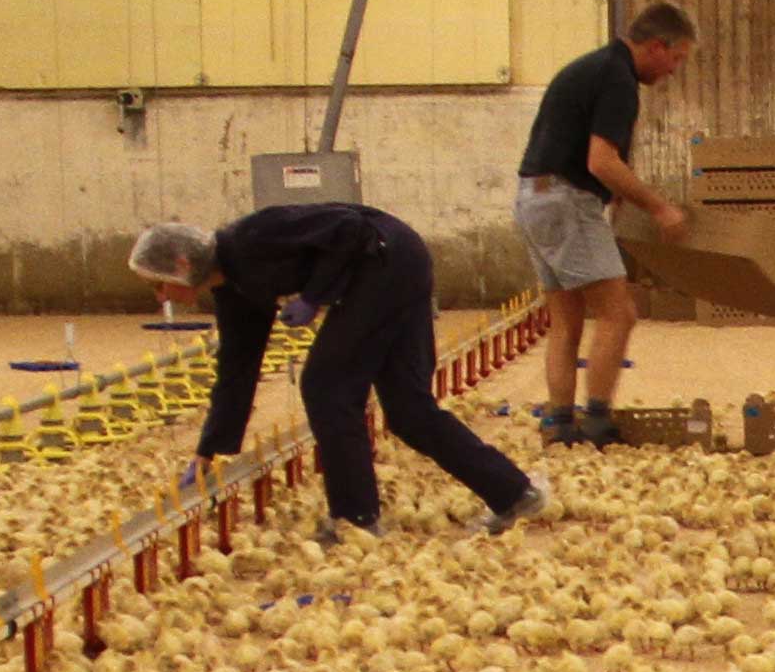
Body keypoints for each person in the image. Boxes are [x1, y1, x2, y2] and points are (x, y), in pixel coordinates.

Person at [130, 201, 537, 539]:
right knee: (408, 410)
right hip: (396, 264)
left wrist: (314, 295)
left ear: (182, 264)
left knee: (325, 386)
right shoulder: (234, 293)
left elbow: (350, 228)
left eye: (158, 284)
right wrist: (208, 451)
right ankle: (515, 494)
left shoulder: (252, 237)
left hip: (387, 259)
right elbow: (237, 369)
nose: (161, 297)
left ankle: (354, 518)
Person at [520, 2, 696, 446]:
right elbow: (601, 161)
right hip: (567, 202)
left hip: (533, 198)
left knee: (566, 321)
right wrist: (660, 208)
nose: (673, 71)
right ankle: (598, 422)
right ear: (656, 47)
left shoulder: (591, 67)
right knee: (619, 314)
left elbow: (574, 146)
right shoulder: (618, 79)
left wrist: (615, 194)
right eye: (676, 59)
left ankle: (560, 423)